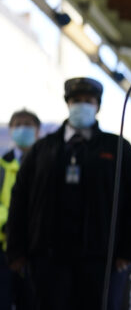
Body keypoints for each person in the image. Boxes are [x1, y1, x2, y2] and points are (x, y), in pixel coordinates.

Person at [6, 77, 131, 310]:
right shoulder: (43, 150)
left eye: (88, 101)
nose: (81, 105)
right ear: (67, 103)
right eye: (76, 100)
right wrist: (16, 250)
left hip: (101, 261)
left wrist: (127, 251)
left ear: (97, 106)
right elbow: (19, 200)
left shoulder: (118, 148)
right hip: (47, 259)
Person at [1, 109, 40, 310]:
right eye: (18, 124)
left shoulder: (47, 165)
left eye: (28, 124)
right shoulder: (1, 166)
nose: (22, 128)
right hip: (4, 249)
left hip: (36, 249)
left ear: (38, 131)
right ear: (11, 130)